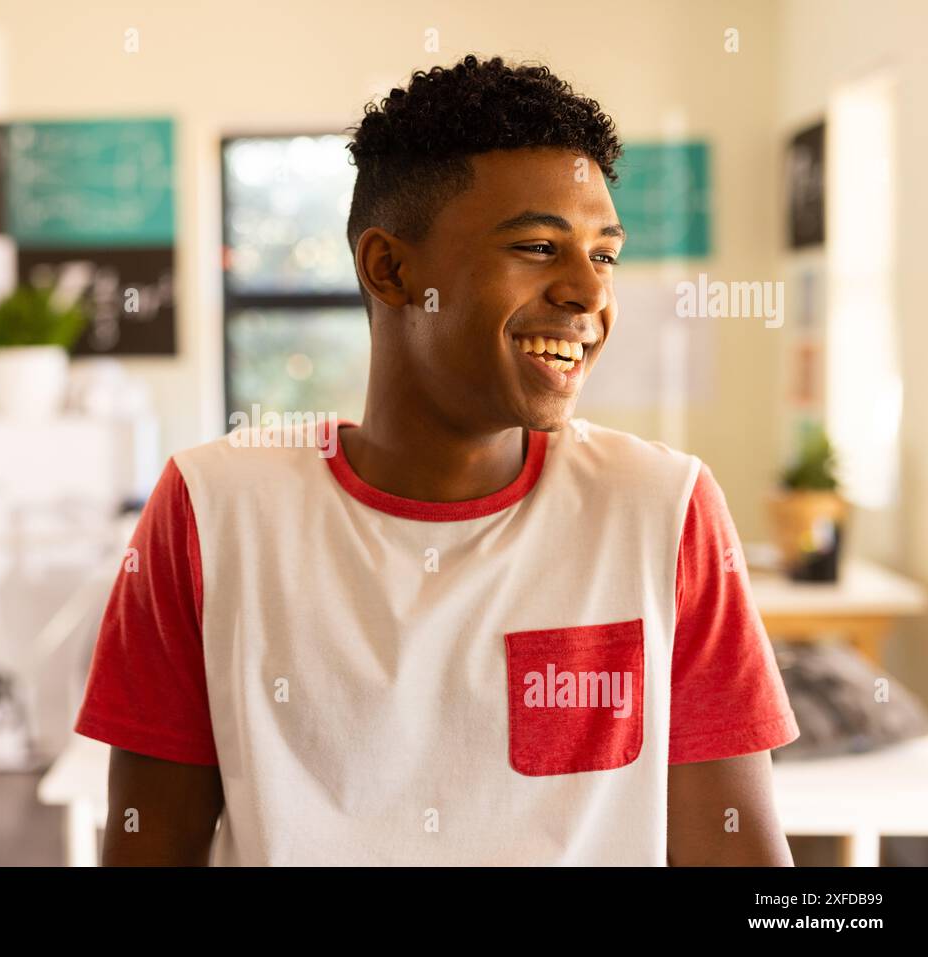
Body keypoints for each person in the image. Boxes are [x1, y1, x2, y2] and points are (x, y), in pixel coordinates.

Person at [74, 53, 800, 865]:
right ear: (390, 268)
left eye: (604, 255)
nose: (589, 294)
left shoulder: (663, 509)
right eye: (535, 246)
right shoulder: (210, 509)